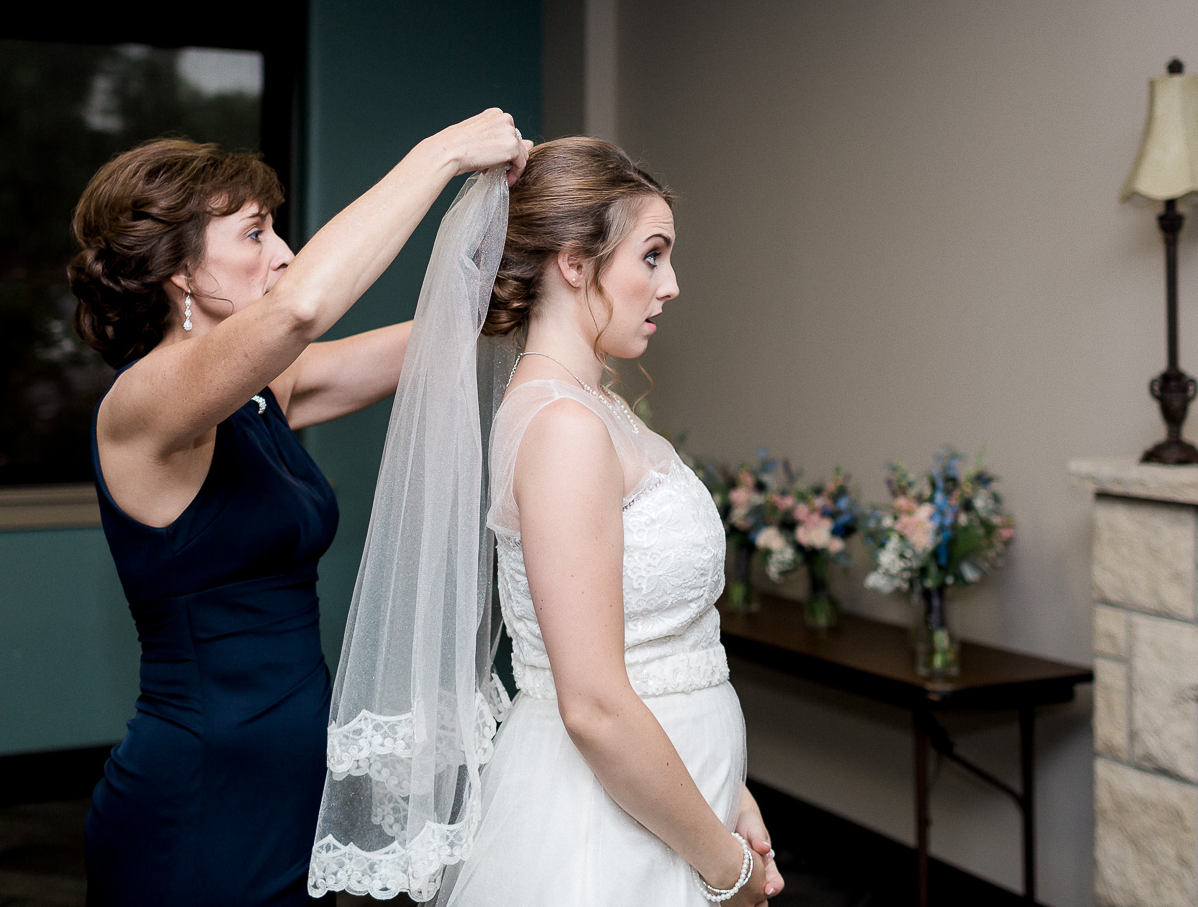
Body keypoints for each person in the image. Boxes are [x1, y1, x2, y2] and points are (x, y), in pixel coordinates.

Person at [67, 108, 529, 907]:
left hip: (295, 783)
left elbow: (443, 336)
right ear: (180, 270)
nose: (282, 254)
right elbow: (301, 310)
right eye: (254, 234)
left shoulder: (263, 392)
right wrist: (441, 150)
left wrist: (541, 268)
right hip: (199, 797)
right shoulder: (144, 405)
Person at [308, 138, 782, 906]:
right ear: (573, 262)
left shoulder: (595, 406)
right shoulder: (564, 427)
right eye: (652, 257)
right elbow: (593, 704)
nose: (671, 285)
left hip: (672, 802)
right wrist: (727, 871)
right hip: (600, 830)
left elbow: (665, 654)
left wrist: (726, 793)